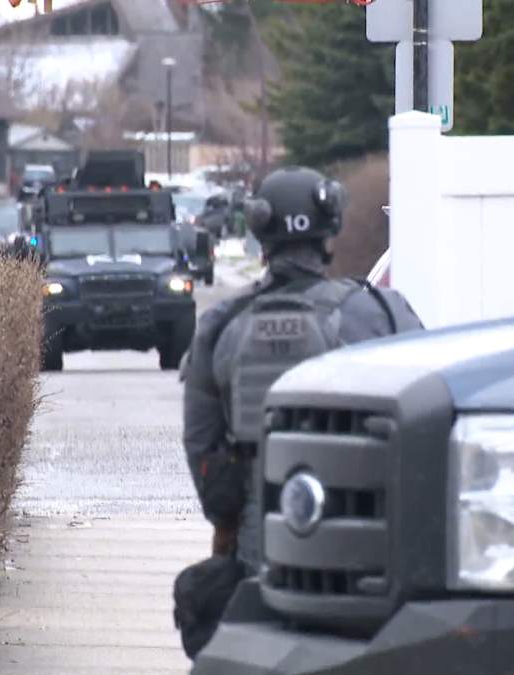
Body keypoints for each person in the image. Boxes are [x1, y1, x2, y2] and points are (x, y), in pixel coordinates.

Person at [172, 166, 424, 659]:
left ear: (259, 235)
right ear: (330, 230)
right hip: (368, 553)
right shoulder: (381, 312)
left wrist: (232, 519)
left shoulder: (221, 327)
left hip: (257, 549)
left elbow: (203, 450)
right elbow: (422, 417)